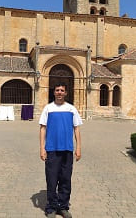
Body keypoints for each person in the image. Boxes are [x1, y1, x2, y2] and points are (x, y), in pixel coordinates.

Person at [39, 83, 82, 218]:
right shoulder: (48, 108)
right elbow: (42, 128)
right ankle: (51, 207)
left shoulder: (71, 109)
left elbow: (76, 129)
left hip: (67, 150)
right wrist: (42, 148)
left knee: (65, 179)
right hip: (51, 149)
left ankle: (63, 207)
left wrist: (79, 147)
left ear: (66, 93)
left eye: (62, 90)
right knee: (51, 179)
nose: (59, 92)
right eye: (57, 90)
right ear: (54, 92)